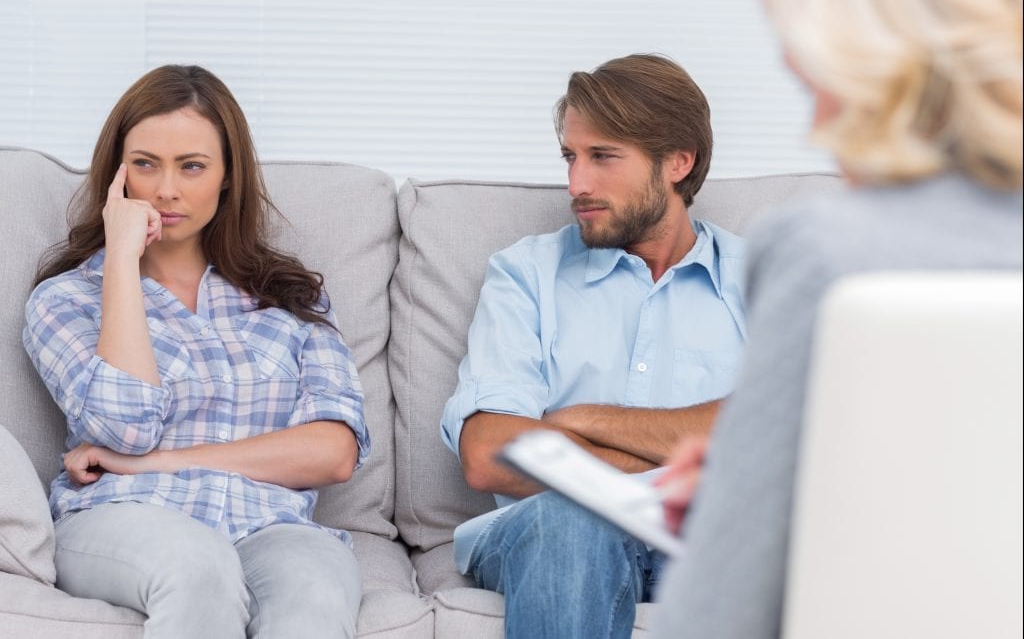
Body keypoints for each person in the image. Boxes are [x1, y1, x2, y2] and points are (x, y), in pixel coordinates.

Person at [652, 0, 1023, 636]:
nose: (818, 130)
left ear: (885, 75)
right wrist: (789, 475)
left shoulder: (828, 252)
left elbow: (712, 621)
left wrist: (739, 514)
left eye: (813, 88)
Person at [22, 64, 371, 638]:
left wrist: (163, 459)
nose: (166, 190)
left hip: (268, 524)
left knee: (318, 584)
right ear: (117, 175)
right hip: (124, 518)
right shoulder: (66, 299)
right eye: (144, 164)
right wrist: (122, 263)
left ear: (228, 176)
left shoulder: (290, 297)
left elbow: (333, 450)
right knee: (199, 566)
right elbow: (123, 429)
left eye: (192, 166)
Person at [440, 53, 748, 638]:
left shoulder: (763, 280)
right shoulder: (526, 274)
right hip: (550, 537)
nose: (576, 183)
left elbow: (780, 438)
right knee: (575, 517)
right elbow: (488, 453)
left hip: (714, 543)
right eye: (570, 157)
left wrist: (581, 421)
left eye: (603, 157)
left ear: (678, 162)